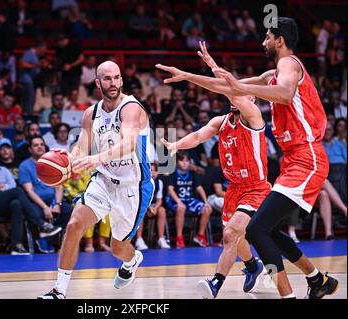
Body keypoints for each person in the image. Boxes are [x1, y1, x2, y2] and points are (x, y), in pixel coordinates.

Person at [156, 17, 339, 299]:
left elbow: (285, 94)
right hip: (292, 160)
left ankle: (287, 295)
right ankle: (317, 280)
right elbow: (230, 87)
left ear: (279, 40)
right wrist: (188, 75)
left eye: (267, 37)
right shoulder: (270, 76)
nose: (263, 41)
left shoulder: (289, 64)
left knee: (255, 230)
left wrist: (244, 89)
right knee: (269, 230)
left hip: (307, 157)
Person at [37, 61, 153, 299]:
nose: (113, 83)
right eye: (107, 79)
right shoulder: (91, 113)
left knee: (117, 248)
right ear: (98, 83)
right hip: (104, 181)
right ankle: (59, 291)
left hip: (134, 186)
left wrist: (96, 158)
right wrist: (68, 164)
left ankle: (132, 261)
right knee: (73, 226)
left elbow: (129, 143)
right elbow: (81, 147)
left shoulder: (131, 108)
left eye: (117, 78)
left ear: (121, 80)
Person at [164, 151, 212, 249]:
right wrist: (179, 202)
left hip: (189, 199)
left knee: (207, 209)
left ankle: (200, 236)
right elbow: (170, 190)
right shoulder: (173, 173)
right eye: (182, 161)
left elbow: (199, 187)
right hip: (174, 200)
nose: (185, 163)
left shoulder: (193, 173)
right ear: (177, 162)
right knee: (181, 208)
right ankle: (179, 237)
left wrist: (206, 201)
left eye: (187, 161)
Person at [134, 162, 170, 250]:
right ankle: (139, 239)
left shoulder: (159, 183)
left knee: (162, 210)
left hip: (153, 206)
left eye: (155, 171)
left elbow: (159, 200)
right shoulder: (141, 182)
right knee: (141, 211)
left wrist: (155, 208)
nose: (153, 173)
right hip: (141, 205)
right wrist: (148, 208)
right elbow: (139, 199)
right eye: (150, 171)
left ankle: (161, 238)